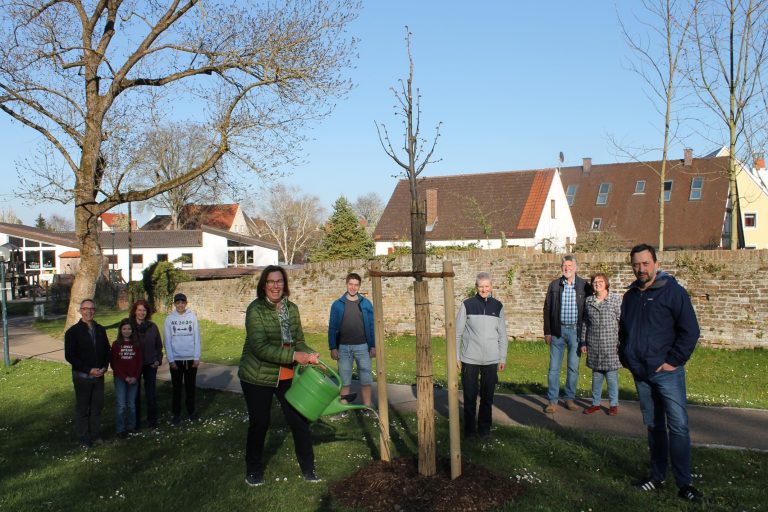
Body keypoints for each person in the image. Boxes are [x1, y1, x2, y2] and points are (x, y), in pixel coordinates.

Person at [619, 244, 703, 503]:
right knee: (654, 426)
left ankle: (684, 483)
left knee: (677, 426)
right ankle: (656, 476)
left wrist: (673, 361)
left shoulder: (673, 292)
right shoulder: (631, 296)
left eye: (645, 263)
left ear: (655, 263)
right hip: (641, 372)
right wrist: (626, 355)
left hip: (667, 372)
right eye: (636, 264)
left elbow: (690, 330)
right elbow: (624, 330)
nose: (640, 269)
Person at [238, 265, 321, 487]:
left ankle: (308, 469)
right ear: (264, 285)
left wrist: (309, 354)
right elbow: (260, 347)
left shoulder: (291, 309)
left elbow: (299, 340)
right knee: (260, 423)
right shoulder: (255, 310)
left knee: (299, 421)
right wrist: (295, 355)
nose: (276, 286)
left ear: (285, 284)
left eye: (280, 281)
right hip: (257, 375)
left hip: (286, 375)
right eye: (271, 282)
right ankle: (253, 470)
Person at [455, 272, 508, 438]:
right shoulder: (467, 305)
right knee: (470, 398)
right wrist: (457, 356)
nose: (484, 289)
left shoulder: (498, 306)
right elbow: (457, 333)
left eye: (487, 286)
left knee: (487, 398)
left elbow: (503, 335)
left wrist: (502, 357)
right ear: (476, 287)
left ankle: (484, 430)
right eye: (481, 286)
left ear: (491, 287)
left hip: (492, 360)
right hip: (470, 359)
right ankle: (470, 431)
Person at [542, 254, 590, 413]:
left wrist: (586, 336)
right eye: (564, 266)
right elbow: (547, 309)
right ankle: (552, 401)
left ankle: (569, 399)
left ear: (575, 267)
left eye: (570, 266)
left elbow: (589, 310)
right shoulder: (554, 285)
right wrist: (547, 331)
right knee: (553, 368)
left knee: (573, 368)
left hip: (576, 333)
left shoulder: (584, 285)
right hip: (557, 331)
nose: (567, 268)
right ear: (561, 267)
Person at [64, 299, 111, 447]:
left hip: (99, 375)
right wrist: (89, 370)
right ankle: (84, 437)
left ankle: (96, 435)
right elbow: (70, 356)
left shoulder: (100, 329)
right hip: (83, 376)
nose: (88, 311)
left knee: (97, 407)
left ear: (94, 311)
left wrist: (104, 367)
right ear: (80, 311)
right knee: (83, 408)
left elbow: (107, 350)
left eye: (91, 309)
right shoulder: (72, 332)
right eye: (85, 309)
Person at [328, 272, 376, 408]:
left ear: (359, 286)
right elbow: (332, 327)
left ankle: (367, 408)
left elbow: (372, 326)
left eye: (356, 285)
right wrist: (333, 347)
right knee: (345, 381)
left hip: (363, 347)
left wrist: (373, 346)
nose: (353, 288)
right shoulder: (337, 305)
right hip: (343, 348)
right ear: (346, 284)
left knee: (366, 380)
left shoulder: (366, 304)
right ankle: (343, 408)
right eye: (351, 284)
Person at [580, 273, 622, 416]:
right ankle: (595, 403)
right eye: (595, 281)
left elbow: (621, 322)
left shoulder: (615, 299)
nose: (597, 283)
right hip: (594, 345)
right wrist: (583, 341)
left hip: (611, 345)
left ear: (606, 283)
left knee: (611, 378)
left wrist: (622, 342)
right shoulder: (589, 301)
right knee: (596, 377)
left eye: (600, 281)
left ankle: (613, 404)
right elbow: (585, 323)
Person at [163, 293, 201, 424]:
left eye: (182, 302)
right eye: (177, 303)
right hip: (176, 360)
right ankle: (176, 414)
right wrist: (171, 359)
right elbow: (167, 340)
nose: (180, 305)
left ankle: (191, 412)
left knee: (190, 388)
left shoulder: (192, 317)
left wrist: (196, 357)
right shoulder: (169, 319)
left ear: (186, 303)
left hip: (190, 359)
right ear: (174, 304)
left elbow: (197, 338)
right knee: (177, 389)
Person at [130, 299, 163, 429]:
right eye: (139, 310)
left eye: (144, 310)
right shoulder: (129, 326)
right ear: (135, 311)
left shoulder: (152, 326)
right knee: (135, 394)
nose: (142, 312)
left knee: (151, 394)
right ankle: (136, 421)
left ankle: (152, 420)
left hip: (150, 364)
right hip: (134, 365)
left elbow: (158, 345)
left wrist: (158, 360)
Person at [111, 318, 143, 438]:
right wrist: (125, 377)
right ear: (120, 330)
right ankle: (120, 429)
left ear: (132, 330)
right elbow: (114, 364)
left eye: (129, 329)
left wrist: (135, 376)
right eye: (124, 328)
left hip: (134, 378)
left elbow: (140, 362)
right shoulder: (116, 344)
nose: (127, 331)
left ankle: (131, 427)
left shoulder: (136, 344)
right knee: (121, 405)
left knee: (131, 404)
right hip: (120, 378)